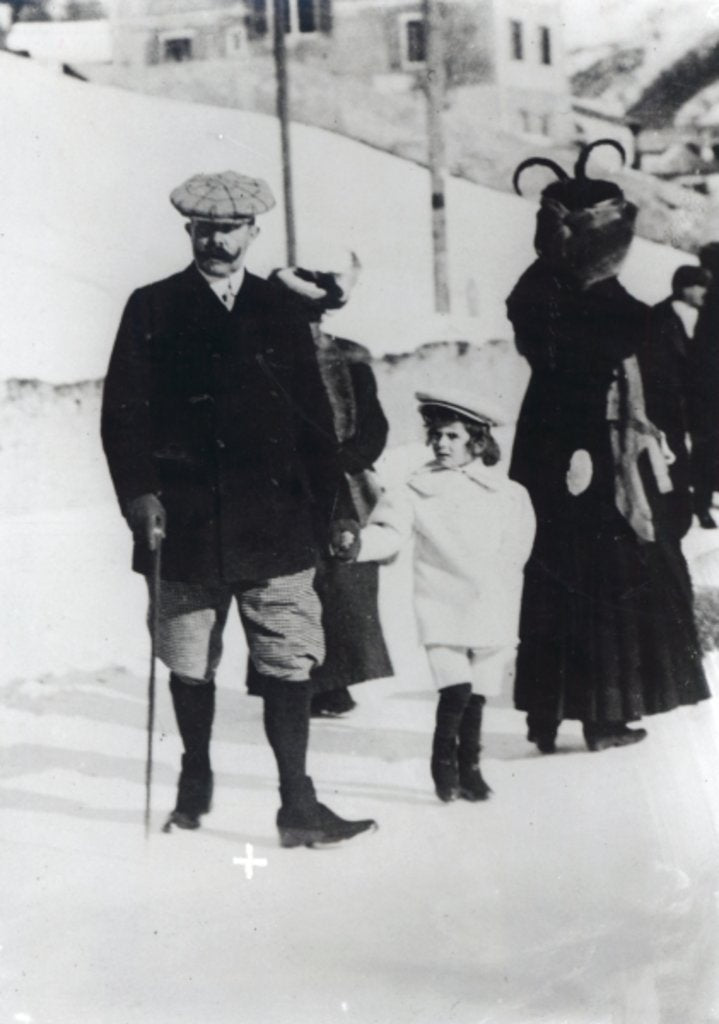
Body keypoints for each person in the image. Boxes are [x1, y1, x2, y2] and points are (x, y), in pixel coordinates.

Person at [101, 170, 377, 847]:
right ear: (189, 230)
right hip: (184, 520)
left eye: (229, 228)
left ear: (253, 234)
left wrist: (337, 507)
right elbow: (122, 416)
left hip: (274, 520)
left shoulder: (279, 311)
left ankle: (297, 804)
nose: (216, 239)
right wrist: (138, 494)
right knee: (189, 658)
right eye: (204, 227)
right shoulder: (152, 306)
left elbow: (314, 421)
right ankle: (194, 779)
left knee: (289, 657)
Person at [508, 140, 710, 755]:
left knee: (556, 576)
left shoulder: (539, 292)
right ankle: (603, 715)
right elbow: (593, 360)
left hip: (558, 451)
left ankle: (547, 712)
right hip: (596, 455)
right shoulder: (588, 304)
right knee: (609, 577)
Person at [331, 389, 535, 802]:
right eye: (436, 435)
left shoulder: (509, 493)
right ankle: (443, 766)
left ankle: (470, 768)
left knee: (478, 692)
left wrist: (499, 580)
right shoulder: (414, 490)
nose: (442, 443)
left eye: (453, 436)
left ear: (478, 441)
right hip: (441, 604)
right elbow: (388, 532)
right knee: (454, 689)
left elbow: (518, 547)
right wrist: (357, 545)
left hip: (493, 604)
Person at [247, 256, 392, 718]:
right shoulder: (259, 361)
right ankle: (295, 679)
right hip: (282, 489)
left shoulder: (349, 359)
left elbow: (374, 428)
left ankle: (335, 681)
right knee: (289, 582)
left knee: (345, 585)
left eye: (305, 315)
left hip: (344, 485)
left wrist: (344, 461)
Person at [641, 264, 711, 540]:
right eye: (701, 285)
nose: (706, 292)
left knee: (705, 454)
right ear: (685, 287)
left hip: (700, 404)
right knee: (674, 456)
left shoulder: (707, 319)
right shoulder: (658, 316)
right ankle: (671, 516)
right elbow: (655, 365)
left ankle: (701, 507)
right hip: (669, 405)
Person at [689, 244, 719, 528]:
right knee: (708, 444)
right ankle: (701, 503)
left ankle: (703, 499)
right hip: (709, 383)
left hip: (706, 381)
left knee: (707, 444)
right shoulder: (712, 299)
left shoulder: (710, 298)